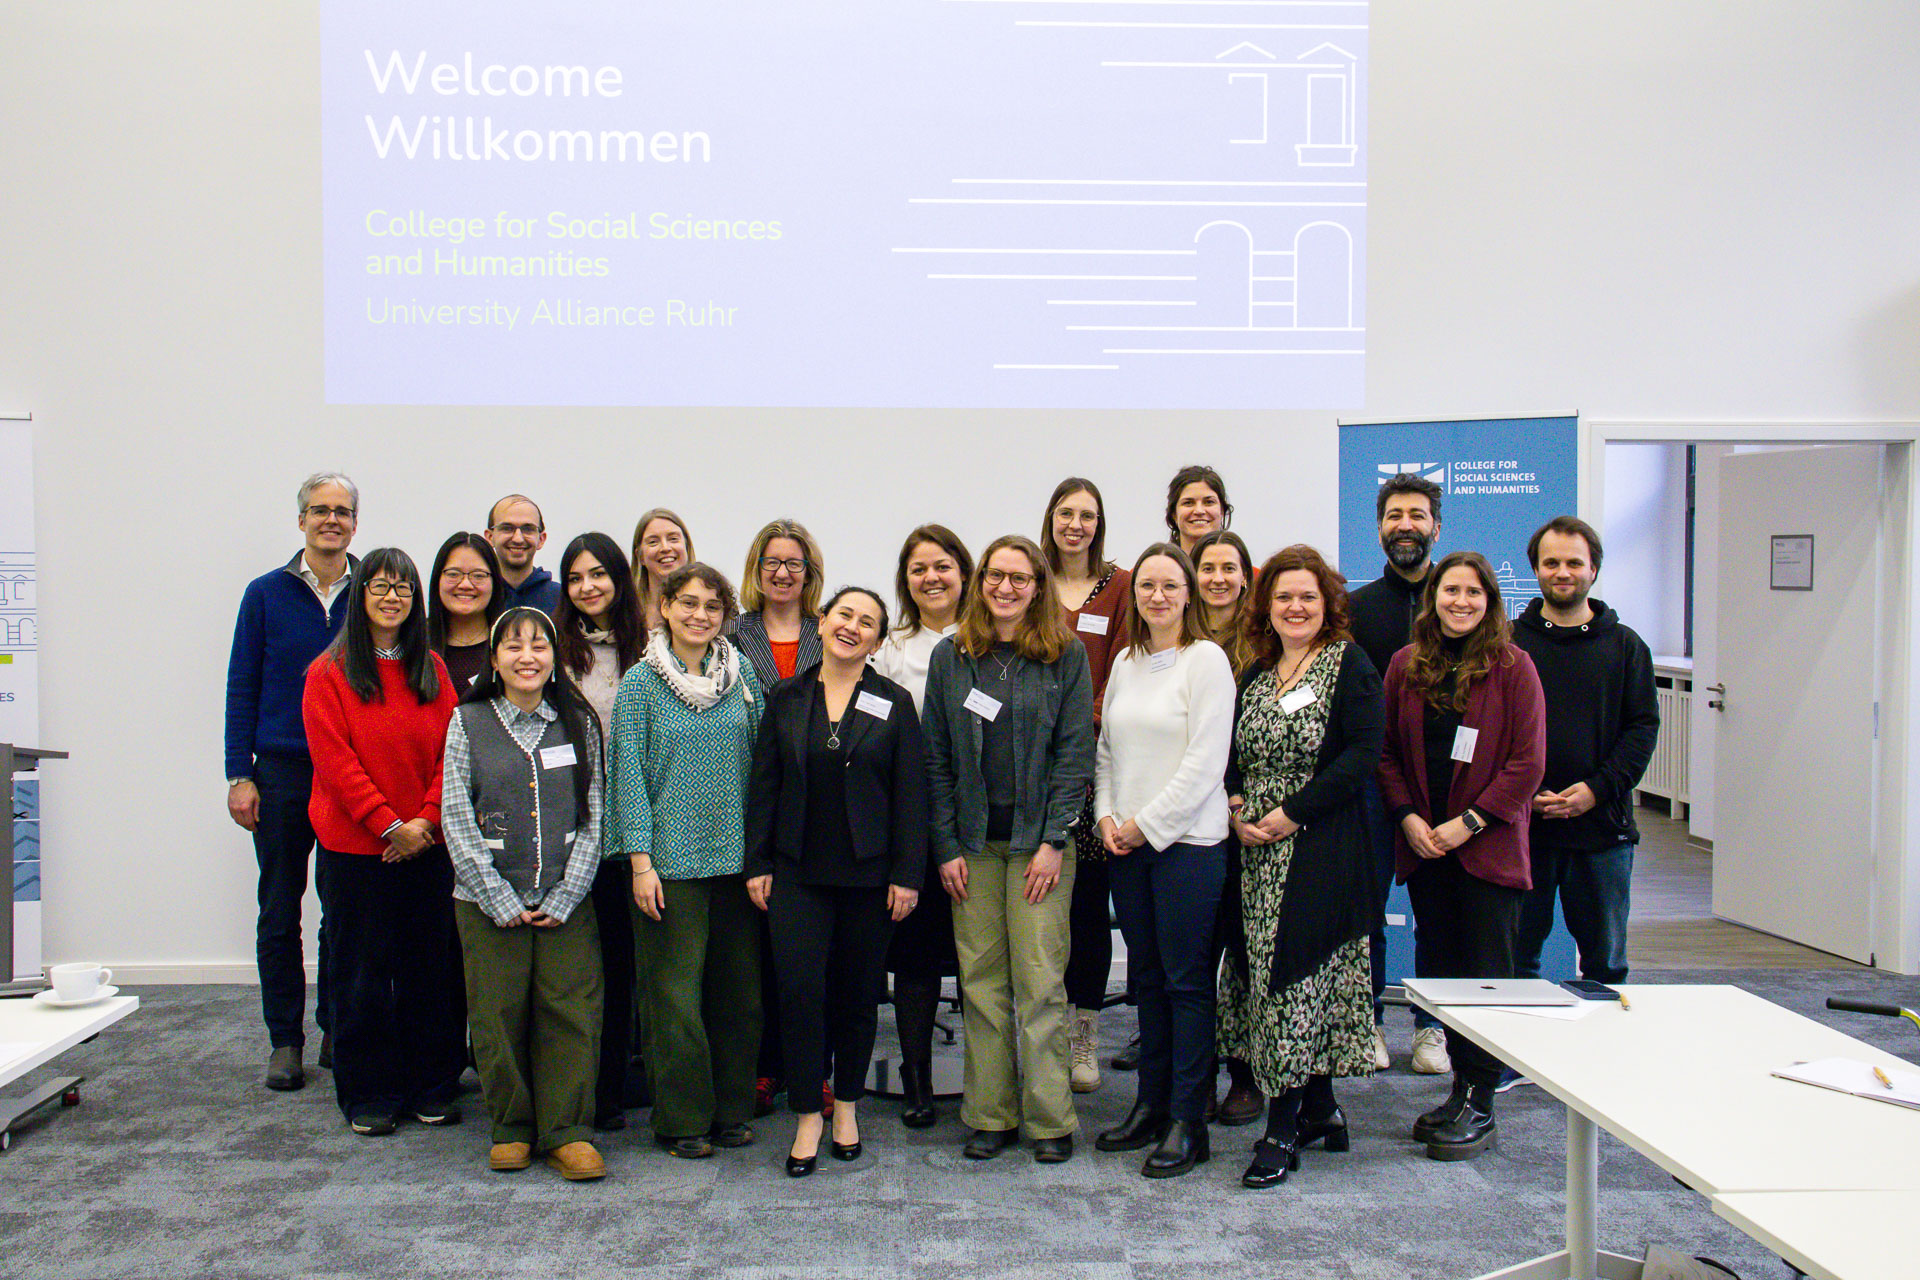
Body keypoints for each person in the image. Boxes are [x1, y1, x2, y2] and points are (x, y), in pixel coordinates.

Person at [923, 534, 1095, 1164]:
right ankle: (990, 1114)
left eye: (1020, 579)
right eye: (996, 576)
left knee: (1042, 984)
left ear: (1038, 587)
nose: (1006, 588)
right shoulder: (952, 657)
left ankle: (1050, 1120)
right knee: (982, 983)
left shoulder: (1065, 655)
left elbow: (1076, 755)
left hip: (1037, 849)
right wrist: (945, 846)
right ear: (981, 582)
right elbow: (936, 759)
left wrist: (1054, 842)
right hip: (972, 847)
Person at [746, 587, 928, 1176]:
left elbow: (910, 798)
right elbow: (764, 788)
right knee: (799, 998)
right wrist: (759, 863)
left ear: (877, 640)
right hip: (796, 873)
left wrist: (907, 874)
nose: (852, 627)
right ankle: (807, 1114)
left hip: (870, 878)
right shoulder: (785, 696)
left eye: (867, 622)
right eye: (844, 615)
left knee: (855, 997)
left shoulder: (893, 702)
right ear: (821, 624)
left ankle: (846, 1106)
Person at [1218, 545, 1385, 1188]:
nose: (1295, 608)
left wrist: (1291, 813)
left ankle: (1281, 1130)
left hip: (1319, 845)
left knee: (1297, 976)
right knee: (1266, 976)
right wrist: (1236, 803)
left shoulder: (1350, 665)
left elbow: (1361, 755)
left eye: (1307, 597)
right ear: (1267, 606)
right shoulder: (1256, 675)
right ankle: (1320, 1110)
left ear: (1328, 605)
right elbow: (1231, 753)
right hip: (1253, 851)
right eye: (1284, 597)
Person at [1378, 550, 1546, 1160]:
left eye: (1474, 592)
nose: (1461, 602)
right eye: (1451, 590)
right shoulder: (1405, 665)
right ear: (1434, 597)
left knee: (1487, 980)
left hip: (1486, 852)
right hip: (1428, 851)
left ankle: (1483, 1098)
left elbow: (1528, 764)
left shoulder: (1513, 667)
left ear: (1490, 600)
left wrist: (1467, 824)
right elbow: (1387, 754)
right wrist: (1413, 820)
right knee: (1443, 974)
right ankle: (1459, 1089)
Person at [301, 548, 464, 1136]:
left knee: (430, 972)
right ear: (360, 594)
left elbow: (453, 752)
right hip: (356, 852)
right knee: (361, 974)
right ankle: (369, 1091)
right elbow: (335, 762)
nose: (392, 597)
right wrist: (387, 825)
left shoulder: (434, 670)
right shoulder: (329, 673)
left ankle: (432, 1084)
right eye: (380, 586)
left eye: (403, 588)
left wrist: (422, 822)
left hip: (426, 847)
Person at [442, 606, 608, 1180]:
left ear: (555, 658)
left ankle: (567, 1132)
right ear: (494, 659)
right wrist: (496, 896)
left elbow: (594, 818)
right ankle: (511, 1127)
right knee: (497, 1012)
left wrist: (566, 894)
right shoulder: (467, 722)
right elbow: (456, 816)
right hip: (487, 902)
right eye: (513, 646)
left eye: (539, 645)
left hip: (567, 900)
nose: (527, 656)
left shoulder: (579, 724)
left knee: (570, 1011)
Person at [608, 562, 764, 1159]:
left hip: (734, 863)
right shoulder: (642, 684)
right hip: (668, 868)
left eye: (712, 606)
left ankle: (731, 1110)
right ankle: (682, 1119)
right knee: (673, 999)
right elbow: (629, 779)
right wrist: (641, 864)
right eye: (688, 603)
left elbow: (759, 765)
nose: (700, 615)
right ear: (666, 607)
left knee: (739, 998)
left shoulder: (741, 674)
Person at [1090, 544, 1235, 1178]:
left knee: (1185, 983)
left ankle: (1187, 1120)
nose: (1156, 595)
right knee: (1146, 980)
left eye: (1169, 585)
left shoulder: (1207, 662)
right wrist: (1105, 819)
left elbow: (1206, 764)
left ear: (1188, 593)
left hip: (1187, 849)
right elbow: (1106, 752)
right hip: (1126, 847)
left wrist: (1145, 827)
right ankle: (1149, 1106)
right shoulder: (1124, 661)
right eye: (1146, 585)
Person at [226, 472, 360, 1091]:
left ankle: (335, 1028)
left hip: (347, 775)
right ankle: (285, 1040)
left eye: (342, 511)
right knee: (279, 910)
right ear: (301, 520)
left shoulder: (374, 593)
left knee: (342, 907)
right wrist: (238, 773)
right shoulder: (264, 595)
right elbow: (241, 686)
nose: (330, 519)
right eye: (319, 510)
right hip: (279, 772)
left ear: (355, 523)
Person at [1512, 517, 1658, 990]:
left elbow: (1641, 729)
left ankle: (1602, 1062)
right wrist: (1520, 795)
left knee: (1606, 968)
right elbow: (1487, 730)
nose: (1562, 572)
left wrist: (1595, 792)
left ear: (1593, 569)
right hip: (1522, 830)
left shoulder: (1626, 646)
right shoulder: (1507, 644)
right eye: (1550, 562)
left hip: (1602, 832)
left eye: (1574, 562)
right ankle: (1514, 1065)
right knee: (1517, 962)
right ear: (1534, 568)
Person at [871, 524, 973, 1128]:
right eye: (918, 569)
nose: (931, 578)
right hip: (908, 817)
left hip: (975, 818)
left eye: (942, 566)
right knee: (913, 955)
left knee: (979, 951)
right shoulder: (892, 646)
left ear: (963, 572)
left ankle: (992, 1074)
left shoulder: (986, 638)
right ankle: (917, 1076)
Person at [1347, 471, 1447, 1075]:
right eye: (1394, 516)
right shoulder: (1356, 610)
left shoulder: (1461, 599)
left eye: (1416, 515)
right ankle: (1369, 1021)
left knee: (1437, 915)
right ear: (1380, 528)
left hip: (1443, 787)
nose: (1404, 526)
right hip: (1371, 785)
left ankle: (1432, 1028)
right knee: (1367, 912)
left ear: (1436, 526)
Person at [1039, 477, 1131, 1093]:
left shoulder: (1120, 586)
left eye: (1087, 515)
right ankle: (1039, 1034)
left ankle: (1083, 1035)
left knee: (1090, 906)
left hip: (1097, 763)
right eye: (1066, 514)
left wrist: (1077, 725)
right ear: (1050, 519)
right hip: (1031, 768)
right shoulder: (1030, 581)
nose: (1076, 525)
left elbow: (1124, 662)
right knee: (1044, 907)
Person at [554, 532, 649, 1131]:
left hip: (633, 830)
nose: (588, 587)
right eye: (576, 578)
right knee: (574, 971)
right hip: (570, 828)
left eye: (598, 574)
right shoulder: (556, 651)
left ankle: (611, 1091)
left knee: (622, 967)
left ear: (619, 578)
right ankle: (571, 1087)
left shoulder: (648, 650)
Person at [732, 517, 825, 1112]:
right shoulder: (733, 633)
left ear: (810, 574)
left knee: (811, 953)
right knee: (760, 950)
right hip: (749, 794)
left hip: (820, 810)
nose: (783, 573)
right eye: (773, 563)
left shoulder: (828, 630)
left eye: (794, 564)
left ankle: (810, 1067)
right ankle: (766, 1065)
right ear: (757, 570)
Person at [426, 532, 504, 694]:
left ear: (495, 582)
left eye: (478, 575)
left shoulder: (510, 642)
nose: (465, 584)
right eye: (453, 574)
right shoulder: (415, 640)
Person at [1192, 530, 1256, 679]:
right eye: (1208, 569)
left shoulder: (1262, 638)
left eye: (1229, 569)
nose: (1218, 579)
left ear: (1244, 577)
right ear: (1193, 576)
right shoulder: (1178, 635)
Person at [486, 494, 563, 614]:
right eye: (507, 528)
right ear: (490, 537)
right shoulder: (478, 596)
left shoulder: (561, 600)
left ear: (541, 539)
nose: (518, 539)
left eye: (528, 529)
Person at [630, 508, 694, 634]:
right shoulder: (627, 610)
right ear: (640, 556)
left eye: (673, 539)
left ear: (686, 546)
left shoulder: (713, 604)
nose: (665, 548)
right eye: (653, 542)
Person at [1164, 464, 1232, 558]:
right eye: (1188, 503)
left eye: (1209, 502)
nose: (1199, 511)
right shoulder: (1149, 572)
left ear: (1222, 511)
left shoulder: (1250, 573)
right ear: (1174, 514)